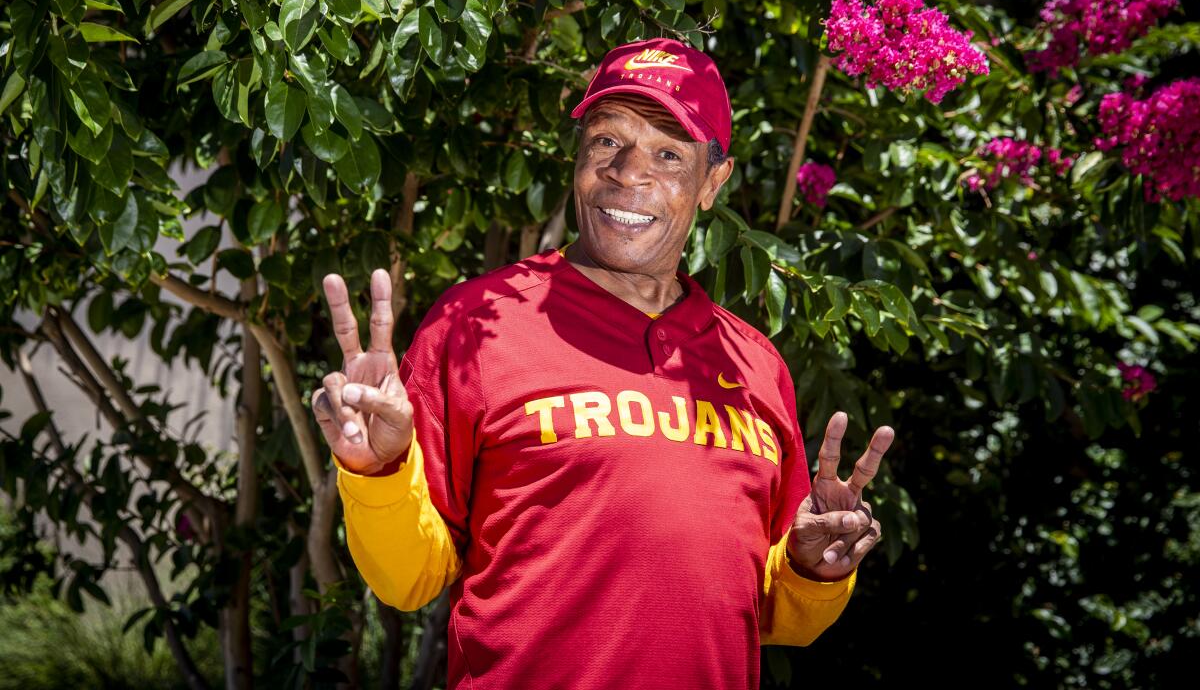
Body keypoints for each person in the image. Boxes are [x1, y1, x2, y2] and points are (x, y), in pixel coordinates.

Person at [312, 38, 895, 690]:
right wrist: (379, 471)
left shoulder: (755, 366)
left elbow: (775, 616)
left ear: (711, 184)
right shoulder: (476, 325)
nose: (628, 171)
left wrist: (816, 570)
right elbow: (409, 579)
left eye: (669, 154)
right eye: (606, 141)